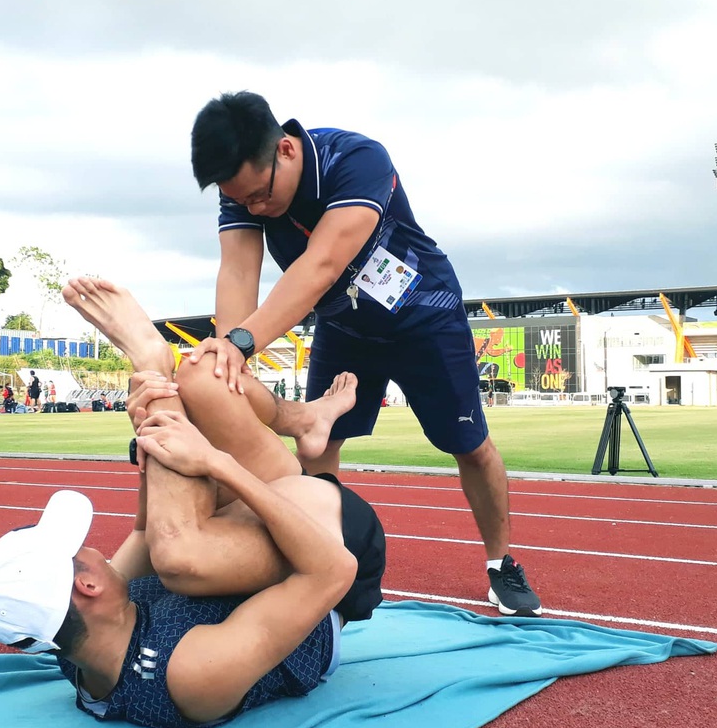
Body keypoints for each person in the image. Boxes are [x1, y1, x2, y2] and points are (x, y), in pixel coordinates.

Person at [0, 277, 384, 728]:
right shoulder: (188, 674)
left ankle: (279, 413)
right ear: (86, 587)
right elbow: (333, 571)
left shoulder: (82, 649)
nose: (91, 550)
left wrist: (148, 438)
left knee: (204, 377)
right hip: (337, 542)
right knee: (178, 556)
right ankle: (155, 365)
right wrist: (218, 464)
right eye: (77, 553)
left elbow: (144, 532)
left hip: (252, 537)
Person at [189, 91, 540, 616]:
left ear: (284, 150)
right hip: (345, 326)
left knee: (470, 446)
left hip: (423, 317)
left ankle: (501, 563)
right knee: (318, 442)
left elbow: (322, 265)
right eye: (242, 203)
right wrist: (224, 353)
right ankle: (318, 563)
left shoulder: (355, 159)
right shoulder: (242, 191)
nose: (256, 209)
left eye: (260, 196)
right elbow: (239, 271)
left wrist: (243, 343)